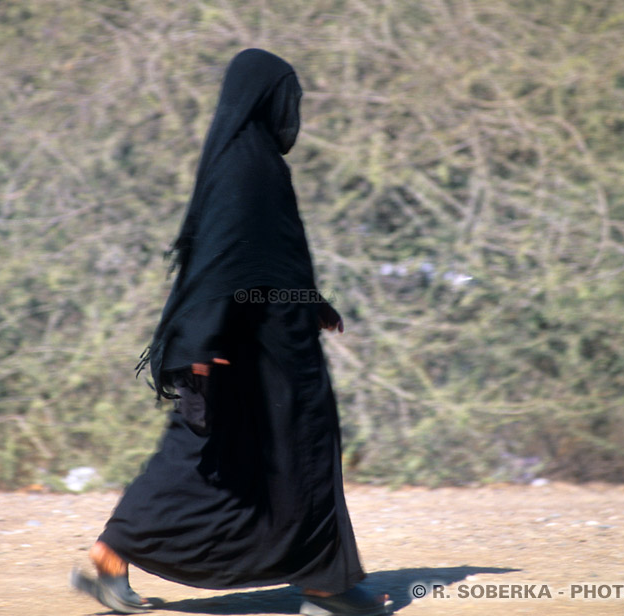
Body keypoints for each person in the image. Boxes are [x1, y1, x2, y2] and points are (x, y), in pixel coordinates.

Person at [71, 48, 390, 616]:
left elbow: (267, 261)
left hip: (267, 341)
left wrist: (308, 302)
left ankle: (319, 581)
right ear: (267, 101)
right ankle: (322, 586)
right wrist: (198, 341)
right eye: (287, 99)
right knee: (230, 454)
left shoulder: (253, 161)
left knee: (253, 456)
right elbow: (219, 262)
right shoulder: (246, 166)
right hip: (245, 348)